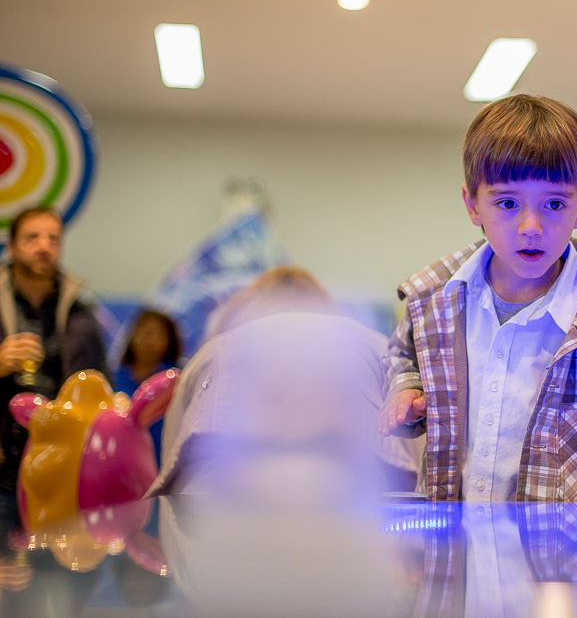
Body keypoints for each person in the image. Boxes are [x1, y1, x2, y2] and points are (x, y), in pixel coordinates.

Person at [377, 94, 577, 502]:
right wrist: (406, 387)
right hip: (456, 548)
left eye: (553, 204)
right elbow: (403, 354)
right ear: (472, 204)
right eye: (508, 203)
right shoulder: (433, 300)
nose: (531, 226)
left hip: (570, 551)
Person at [148, 267, 398, 507]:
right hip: (353, 484)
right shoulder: (367, 341)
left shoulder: (218, 347)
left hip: (220, 487)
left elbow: (174, 448)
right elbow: (412, 441)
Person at [0, 207, 109, 501]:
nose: (44, 246)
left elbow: (101, 386)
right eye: (32, 238)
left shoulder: (81, 310)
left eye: (53, 239)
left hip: (62, 471)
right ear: (11, 247)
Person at [114, 310, 182, 464]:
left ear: (170, 340)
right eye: (146, 333)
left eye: (159, 335)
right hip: (122, 463)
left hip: (164, 465)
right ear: (133, 335)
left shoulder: (178, 381)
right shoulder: (114, 378)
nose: (151, 341)